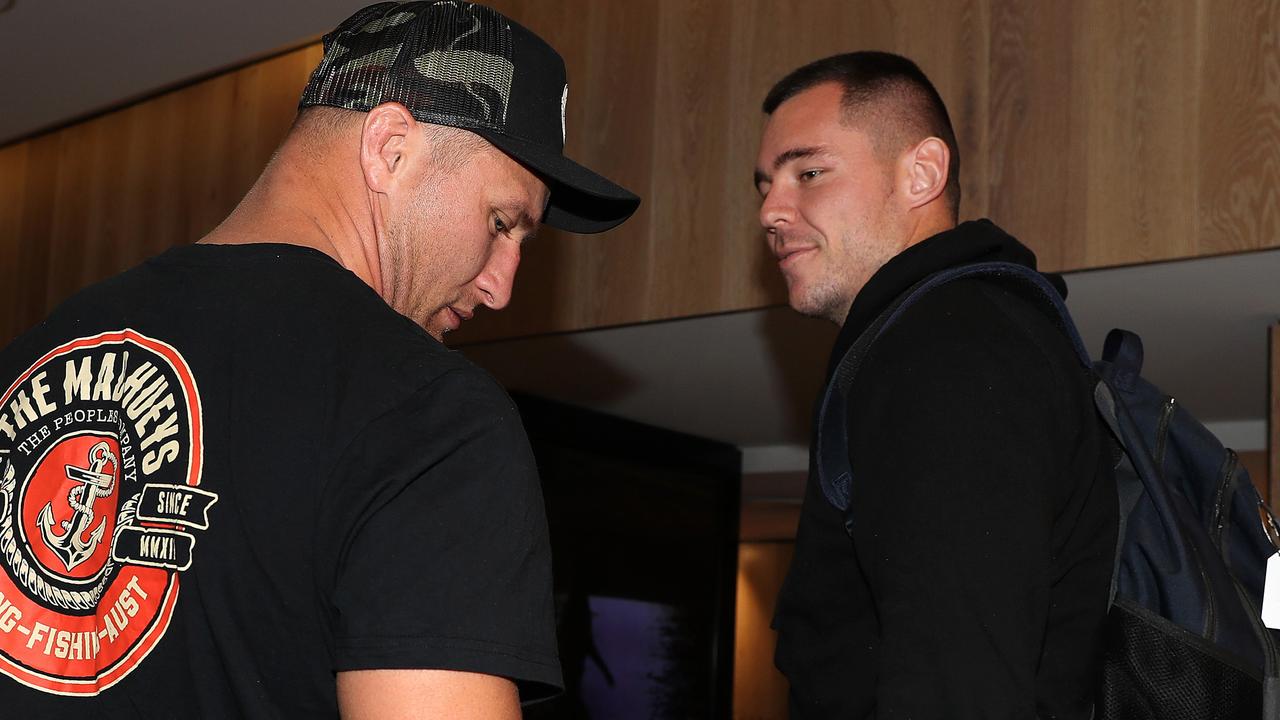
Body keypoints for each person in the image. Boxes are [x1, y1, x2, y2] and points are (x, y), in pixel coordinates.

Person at [0, 1, 638, 717]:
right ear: (390, 147)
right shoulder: (431, 413)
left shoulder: (29, 354)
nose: (501, 286)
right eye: (500, 223)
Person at [756, 52, 1117, 718]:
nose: (771, 212)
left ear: (921, 172)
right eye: (765, 185)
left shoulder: (949, 344)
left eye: (808, 172)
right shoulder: (962, 333)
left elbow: (959, 683)